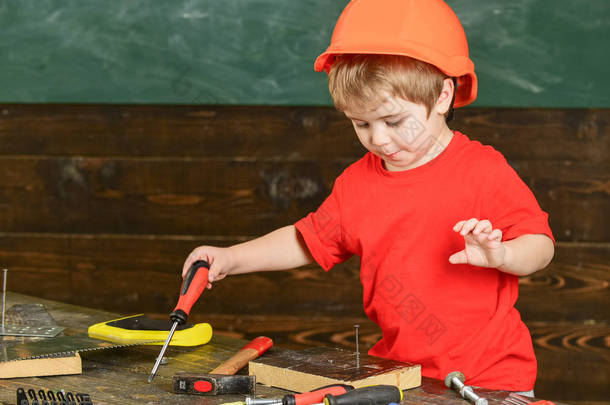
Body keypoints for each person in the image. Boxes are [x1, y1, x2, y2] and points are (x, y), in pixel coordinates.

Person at [182, 0, 555, 394]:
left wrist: (505, 256)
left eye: (394, 121)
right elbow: (307, 240)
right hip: (400, 378)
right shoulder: (356, 183)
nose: (377, 138)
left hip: (492, 381)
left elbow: (541, 245)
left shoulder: (483, 170)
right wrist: (230, 257)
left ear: (443, 97)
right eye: (361, 123)